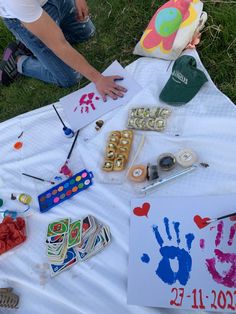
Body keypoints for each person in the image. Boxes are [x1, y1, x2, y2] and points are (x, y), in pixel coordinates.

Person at [0, 0, 127, 101]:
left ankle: (35, 43)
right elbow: (58, 44)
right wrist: (98, 79)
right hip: (24, 17)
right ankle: (19, 60)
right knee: (69, 78)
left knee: (87, 33)